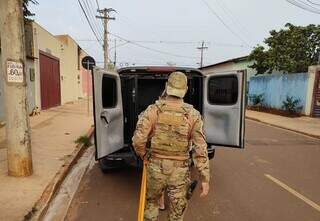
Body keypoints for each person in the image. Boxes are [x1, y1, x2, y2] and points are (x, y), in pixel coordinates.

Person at [132, 71, 210, 221]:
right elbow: (200, 148)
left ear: (167, 86)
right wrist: (204, 178)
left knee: (151, 206)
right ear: (185, 90)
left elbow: (138, 140)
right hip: (180, 171)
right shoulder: (193, 115)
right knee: (177, 212)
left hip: (155, 167)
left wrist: (144, 155)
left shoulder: (152, 110)